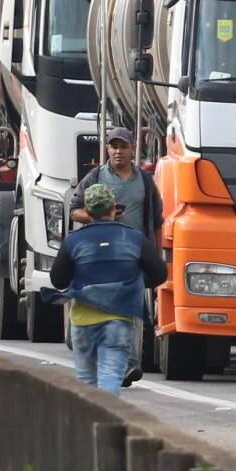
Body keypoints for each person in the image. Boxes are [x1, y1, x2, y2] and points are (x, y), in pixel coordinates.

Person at [50, 184, 166, 396]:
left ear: (87, 211)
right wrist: (136, 281)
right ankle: (105, 424)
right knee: (111, 376)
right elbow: (160, 274)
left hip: (82, 321)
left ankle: (89, 424)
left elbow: (58, 279)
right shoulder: (134, 238)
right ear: (114, 209)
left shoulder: (73, 241)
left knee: (86, 381)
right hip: (118, 320)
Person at [70, 127, 164, 386]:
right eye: (113, 146)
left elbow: (157, 219)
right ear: (107, 149)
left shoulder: (145, 181)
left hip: (133, 254)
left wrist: (156, 254)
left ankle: (128, 363)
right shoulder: (96, 177)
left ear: (132, 149)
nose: (118, 151)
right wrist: (100, 216)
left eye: (122, 146)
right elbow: (74, 210)